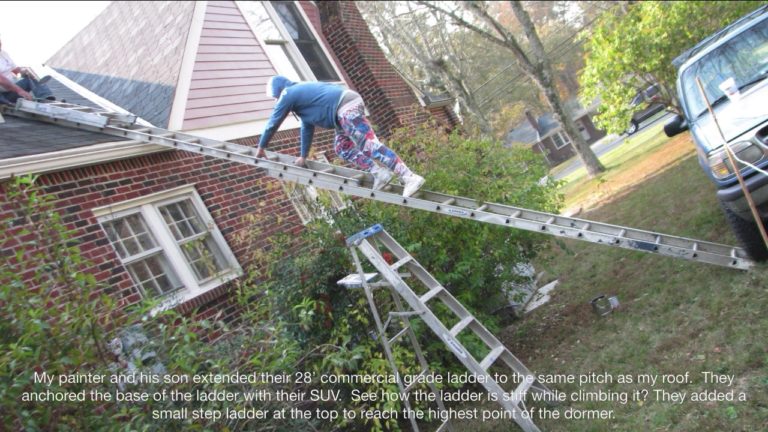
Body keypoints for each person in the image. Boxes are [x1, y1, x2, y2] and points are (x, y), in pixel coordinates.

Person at [255, 75, 425, 197]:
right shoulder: (301, 102)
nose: (276, 100)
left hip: (346, 107)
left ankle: (410, 177)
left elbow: (273, 123)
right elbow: (307, 128)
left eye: (274, 96)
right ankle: (379, 173)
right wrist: (303, 156)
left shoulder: (288, 93)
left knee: (368, 145)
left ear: (278, 91)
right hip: (341, 113)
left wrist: (261, 147)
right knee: (342, 148)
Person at [0, 35, 54, 105]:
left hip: (12, 90)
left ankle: (46, 99)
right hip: (3, 96)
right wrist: (19, 90)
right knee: (28, 80)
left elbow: (16, 71)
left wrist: (24, 72)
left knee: (31, 76)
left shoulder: (3, 54)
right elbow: (1, 80)